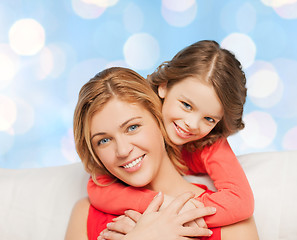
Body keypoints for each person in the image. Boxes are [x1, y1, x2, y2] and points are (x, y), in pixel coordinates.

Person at [65, 67, 259, 240]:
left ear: (159, 119)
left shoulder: (231, 222)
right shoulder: (85, 213)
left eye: (132, 127)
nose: (122, 150)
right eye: (104, 141)